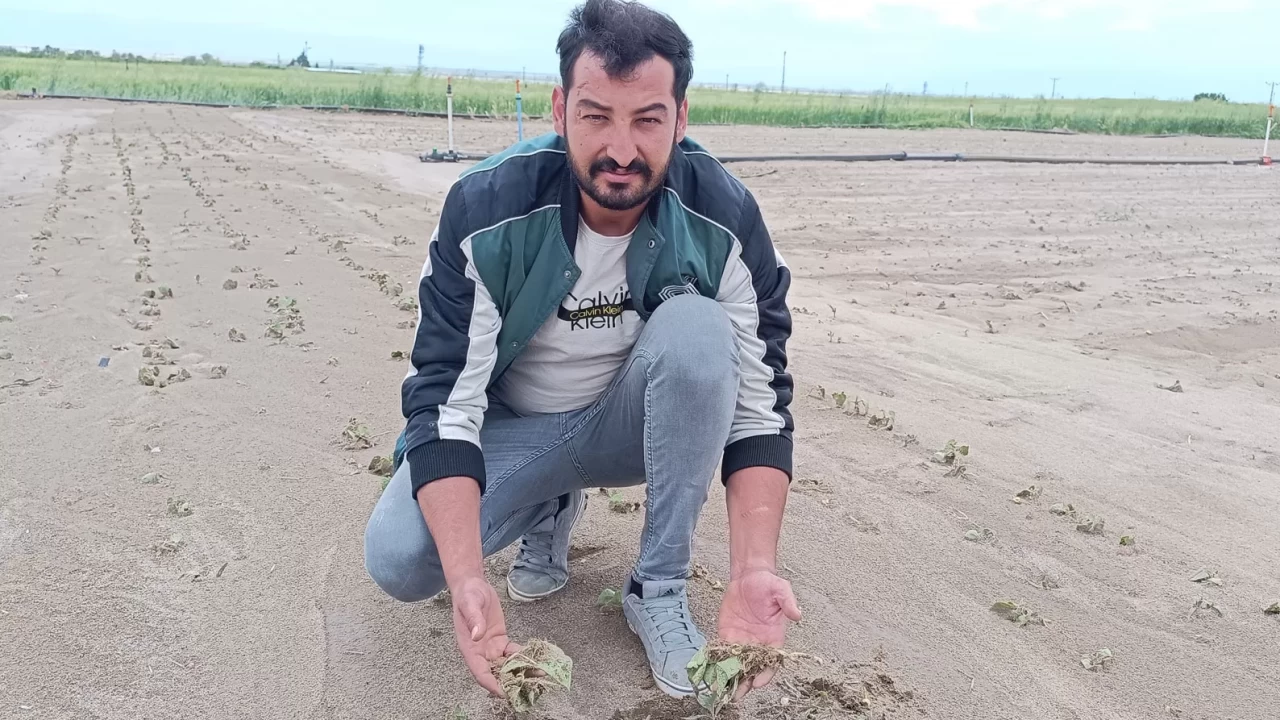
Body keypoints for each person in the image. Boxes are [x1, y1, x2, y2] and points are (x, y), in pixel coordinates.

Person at [364, 0, 799, 700]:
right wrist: (469, 578)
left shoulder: (726, 219)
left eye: (648, 120)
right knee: (401, 557)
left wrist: (754, 567)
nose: (621, 150)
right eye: (597, 116)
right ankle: (548, 505)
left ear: (681, 119)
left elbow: (760, 406)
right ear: (561, 108)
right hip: (514, 428)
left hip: (631, 428)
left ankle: (658, 586)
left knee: (698, 329)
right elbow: (444, 401)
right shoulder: (484, 208)